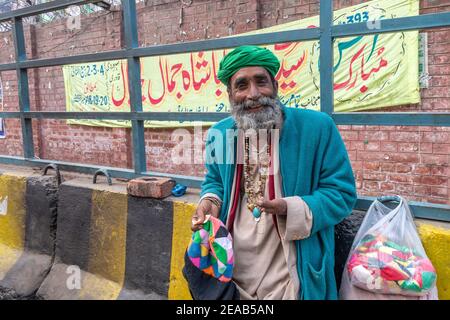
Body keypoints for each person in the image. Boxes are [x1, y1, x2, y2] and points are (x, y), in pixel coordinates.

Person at [191, 45, 357, 300]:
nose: (254, 94)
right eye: (242, 85)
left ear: (276, 87)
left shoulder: (317, 128)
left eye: (261, 82)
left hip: (290, 268)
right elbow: (214, 182)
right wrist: (209, 201)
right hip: (232, 269)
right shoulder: (220, 134)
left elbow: (342, 194)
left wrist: (290, 208)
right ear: (230, 93)